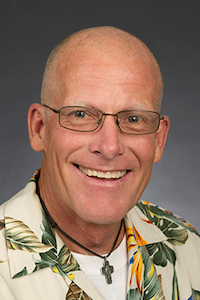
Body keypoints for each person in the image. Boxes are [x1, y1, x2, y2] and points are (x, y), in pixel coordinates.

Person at [0, 26, 199, 300]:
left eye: (133, 119)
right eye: (81, 114)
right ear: (39, 128)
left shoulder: (188, 245)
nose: (109, 147)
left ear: (159, 139)